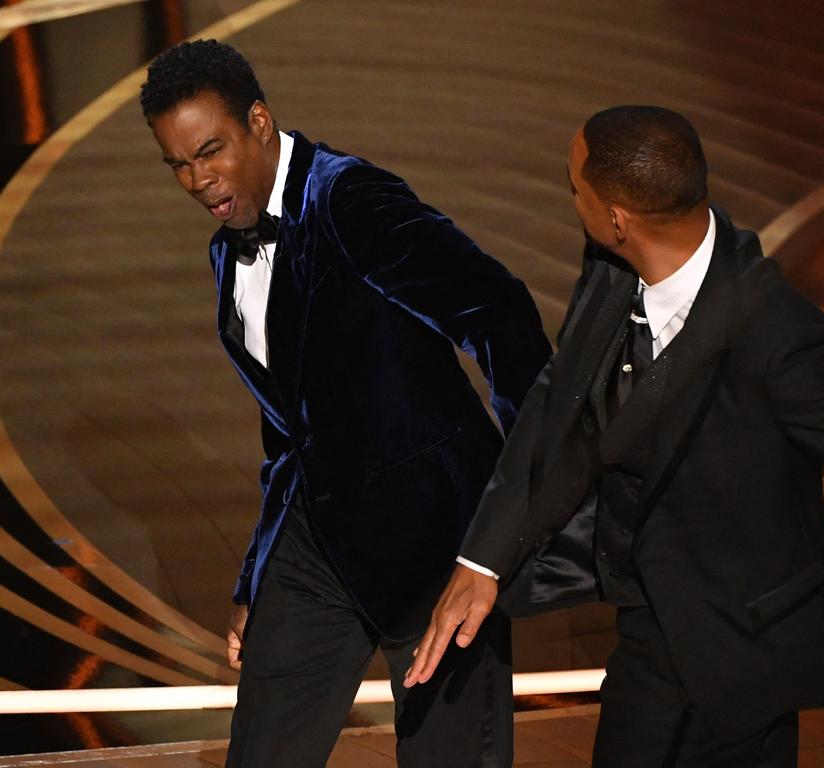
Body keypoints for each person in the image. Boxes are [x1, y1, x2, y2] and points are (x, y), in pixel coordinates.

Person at [405, 105, 824, 767]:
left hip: (740, 633)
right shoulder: (614, 266)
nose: (572, 201)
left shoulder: (779, 338)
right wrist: (485, 558)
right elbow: (563, 400)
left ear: (617, 218)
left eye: (575, 189)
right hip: (655, 617)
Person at [139, 39, 551, 768]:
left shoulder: (350, 201)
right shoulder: (226, 248)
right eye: (178, 163)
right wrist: (257, 576)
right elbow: (286, 428)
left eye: (211, 151)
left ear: (259, 122)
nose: (198, 179)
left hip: (434, 545)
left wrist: (507, 516)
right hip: (317, 540)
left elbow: (502, 317)